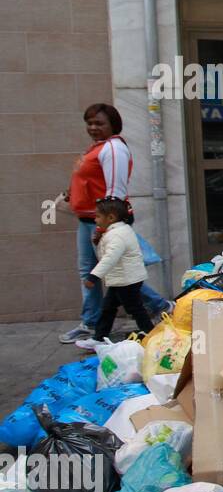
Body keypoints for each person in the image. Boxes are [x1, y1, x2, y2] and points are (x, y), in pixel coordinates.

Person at [60, 103, 171, 343]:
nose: (93, 127)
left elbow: (115, 191)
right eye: (89, 123)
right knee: (101, 272)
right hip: (89, 220)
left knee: (120, 274)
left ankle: (159, 306)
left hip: (101, 222)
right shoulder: (98, 148)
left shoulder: (113, 149)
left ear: (113, 125)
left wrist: (104, 227)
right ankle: (92, 323)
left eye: (99, 123)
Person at [76, 198, 155, 345]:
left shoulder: (116, 234)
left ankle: (151, 334)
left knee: (134, 309)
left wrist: (93, 277)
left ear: (111, 217)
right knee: (109, 309)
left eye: (98, 216)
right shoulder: (119, 230)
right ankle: (99, 337)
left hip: (126, 280)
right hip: (123, 279)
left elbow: (110, 258)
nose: (95, 219)